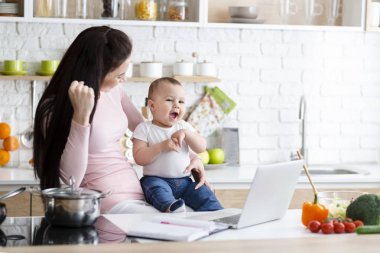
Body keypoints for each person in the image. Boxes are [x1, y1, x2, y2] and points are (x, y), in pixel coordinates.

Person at [33, 26, 208, 214]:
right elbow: (71, 178)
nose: (124, 79)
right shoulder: (53, 108)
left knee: (204, 214)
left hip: (139, 194)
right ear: (95, 70)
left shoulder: (114, 91)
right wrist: (81, 117)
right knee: (182, 224)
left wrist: (190, 157)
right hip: (105, 202)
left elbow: (148, 131)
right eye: (119, 75)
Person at [132, 77, 223, 212]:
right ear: (152, 106)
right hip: (157, 180)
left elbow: (201, 147)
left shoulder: (184, 126)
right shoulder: (145, 128)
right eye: (169, 100)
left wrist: (186, 133)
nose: (177, 105)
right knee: (154, 189)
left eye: (181, 101)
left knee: (203, 192)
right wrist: (161, 147)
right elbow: (139, 157)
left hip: (185, 182)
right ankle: (171, 207)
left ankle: (218, 213)